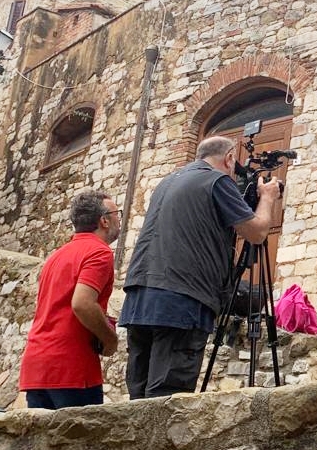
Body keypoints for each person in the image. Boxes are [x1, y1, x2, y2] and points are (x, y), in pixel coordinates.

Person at [119, 136, 281, 399]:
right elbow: (257, 233)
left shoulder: (166, 183)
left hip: (139, 300)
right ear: (229, 158)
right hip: (180, 302)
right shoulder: (216, 181)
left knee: (138, 394)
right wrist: (267, 198)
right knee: (167, 397)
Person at [19, 190, 121, 409]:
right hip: (71, 367)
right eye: (116, 213)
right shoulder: (99, 252)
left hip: (37, 365)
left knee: (40, 442)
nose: (119, 219)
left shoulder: (57, 255)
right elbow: (82, 303)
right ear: (103, 221)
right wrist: (110, 338)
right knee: (83, 443)